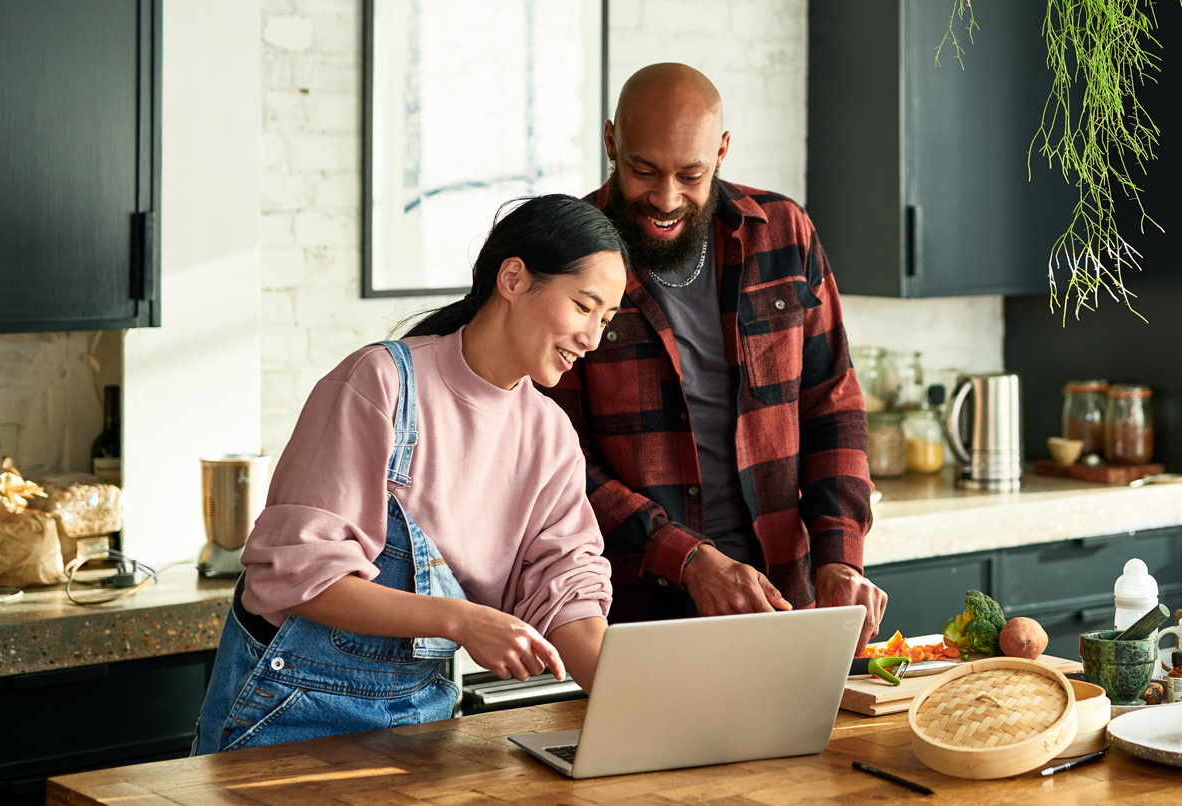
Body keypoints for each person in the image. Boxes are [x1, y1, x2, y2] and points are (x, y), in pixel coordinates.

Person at [192, 194, 629, 754]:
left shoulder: (550, 438)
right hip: (286, 714)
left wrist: (640, 709)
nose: (592, 338)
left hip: (421, 719)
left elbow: (568, 592)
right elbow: (297, 577)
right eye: (583, 306)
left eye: (606, 319)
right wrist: (462, 621)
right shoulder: (382, 383)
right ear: (515, 279)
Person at [542, 63, 887, 654]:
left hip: (782, 596)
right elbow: (557, 457)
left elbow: (832, 404)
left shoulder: (783, 235)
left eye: (691, 174)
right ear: (610, 143)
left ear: (722, 151)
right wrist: (690, 560)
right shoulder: (568, 258)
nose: (666, 198)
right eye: (642, 170)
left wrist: (839, 559)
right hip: (634, 612)